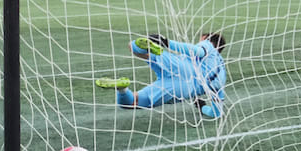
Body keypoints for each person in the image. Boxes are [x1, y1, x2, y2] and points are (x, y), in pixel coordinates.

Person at [96, 33, 226, 118]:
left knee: (132, 46)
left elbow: (197, 50)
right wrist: (203, 106)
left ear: (206, 39)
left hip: (181, 66)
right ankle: (122, 89)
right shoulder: (222, 77)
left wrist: (167, 43)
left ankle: (145, 48)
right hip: (184, 89)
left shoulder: (208, 46)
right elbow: (216, 113)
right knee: (133, 103)